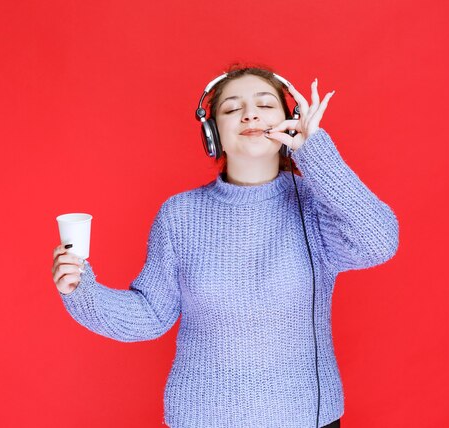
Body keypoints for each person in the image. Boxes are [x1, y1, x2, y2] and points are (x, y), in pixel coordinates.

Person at [51, 65, 399, 428]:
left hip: (307, 417)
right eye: (232, 108)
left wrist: (317, 153)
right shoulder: (179, 215)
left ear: (290, 121)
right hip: (204, 418)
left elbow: (378, 242)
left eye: (265, 105)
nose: (249, 114)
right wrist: (81, 289)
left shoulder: (316, 204)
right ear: (212, 132)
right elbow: (150, 315)